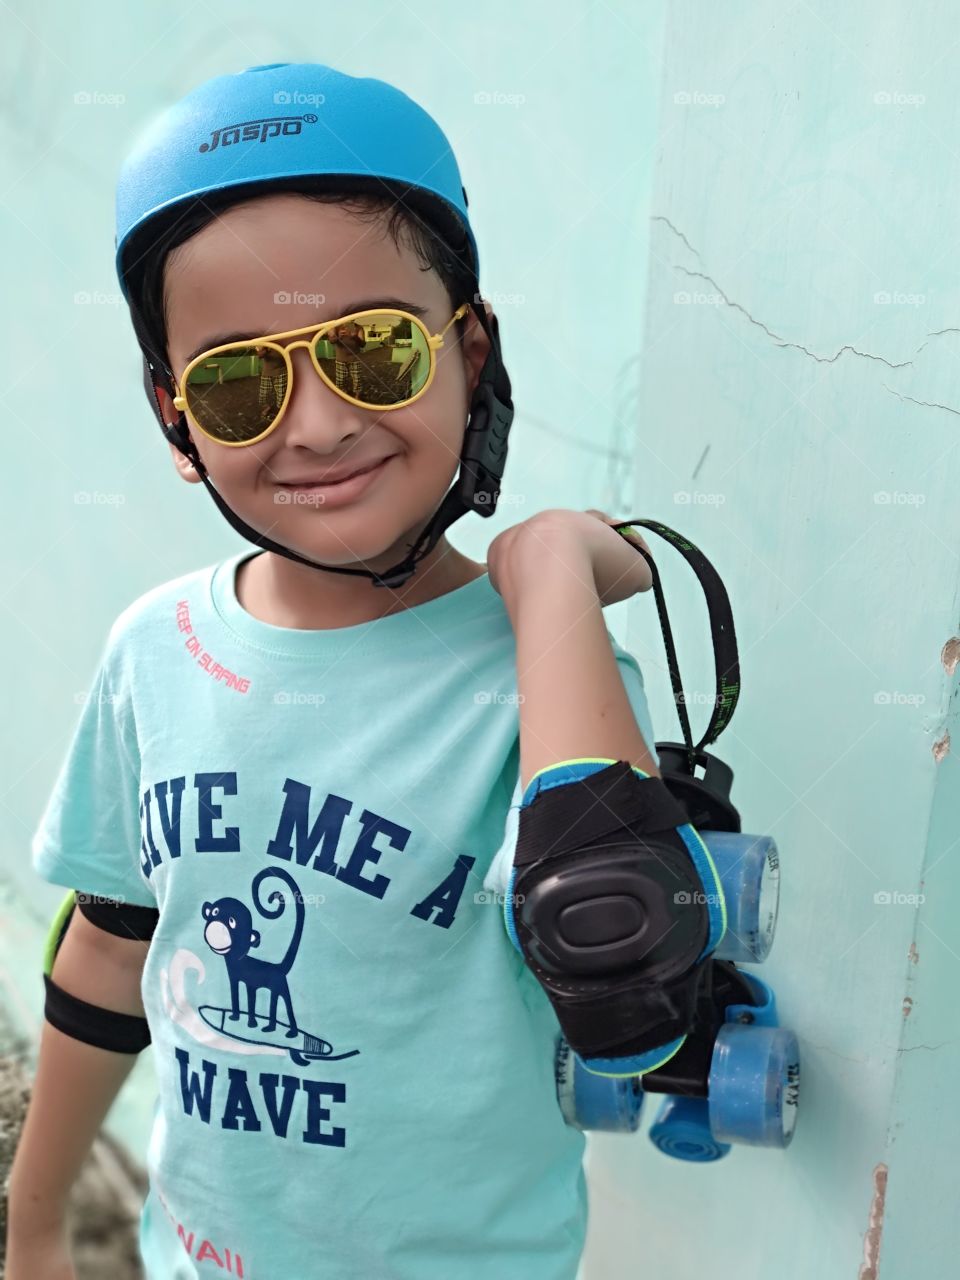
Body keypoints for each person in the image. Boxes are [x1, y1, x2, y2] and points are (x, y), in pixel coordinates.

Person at [6, 62, 660, 1280]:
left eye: (371, 352)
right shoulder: (155, 652)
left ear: (471, 353)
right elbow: (110, 940)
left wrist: (553, 569)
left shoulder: (542, 669)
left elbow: (630, 976)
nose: (313, 425)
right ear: (174, 420)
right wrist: (35, 1227)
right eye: (240, 381)